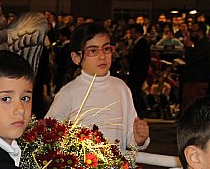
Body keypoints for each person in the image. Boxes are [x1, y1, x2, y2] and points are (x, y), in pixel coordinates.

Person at [46, 22, 150, 152]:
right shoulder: (68, 93)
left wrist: (139, 139)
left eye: (106, 49)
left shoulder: (121, 88)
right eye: (93, 51)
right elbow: (48, 134)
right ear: (77, 57)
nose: (102, 56)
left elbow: (130, 136)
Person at [181, 21, 210, 111]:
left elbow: (192, 61)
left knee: (192, 107)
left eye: (193, 31)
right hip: (193, 80)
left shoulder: (205, 46)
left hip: (197, 81)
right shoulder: (198, 45)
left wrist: (189, 47)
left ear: (200, 32)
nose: (190, 34)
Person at [127, 24, 151, 117]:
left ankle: (138, 112)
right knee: (134, 92)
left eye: (133, 33)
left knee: (135, 92)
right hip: (137, 72)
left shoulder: (142, 43)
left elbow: (140, 59)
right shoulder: (139, 43)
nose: (131, 35)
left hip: (138, 72)